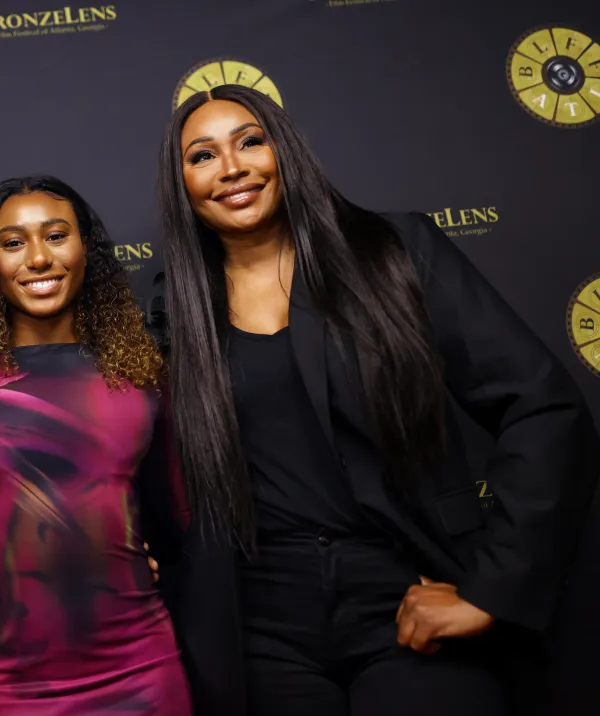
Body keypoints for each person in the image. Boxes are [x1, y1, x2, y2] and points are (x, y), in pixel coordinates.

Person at [153, 84, 599, 716]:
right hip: (259, 623)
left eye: (251, 141)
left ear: (284, 151)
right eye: (201, 156)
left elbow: (545, 408)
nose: (231, 169)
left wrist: (495, 587)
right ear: (182, 187)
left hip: (402, 595)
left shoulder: (393, 252)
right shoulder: (175, 309)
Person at [0, 175, 193, 715]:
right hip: (8, 682)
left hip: (140, 667)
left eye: (56, 235)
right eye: (14, 242)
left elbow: (181, 519)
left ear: (86, 249)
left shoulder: (140, 375)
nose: (39, 258)